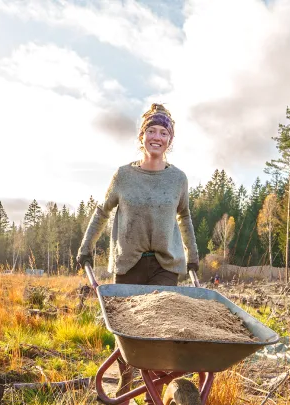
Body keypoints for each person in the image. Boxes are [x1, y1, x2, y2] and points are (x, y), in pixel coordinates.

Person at [76, 103, 199, 399]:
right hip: (128, 263)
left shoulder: (178, 179)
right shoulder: (123, 176)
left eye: (163, 132)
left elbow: (185, 217)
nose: (157, 137)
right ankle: (126, 382)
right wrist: (86, 247)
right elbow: (101, 212)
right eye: (151, 131)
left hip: (165, 265)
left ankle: (152, 392)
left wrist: (192, 257)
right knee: (127, 331)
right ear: (141, 137)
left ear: (170, 140)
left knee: (157, 331)